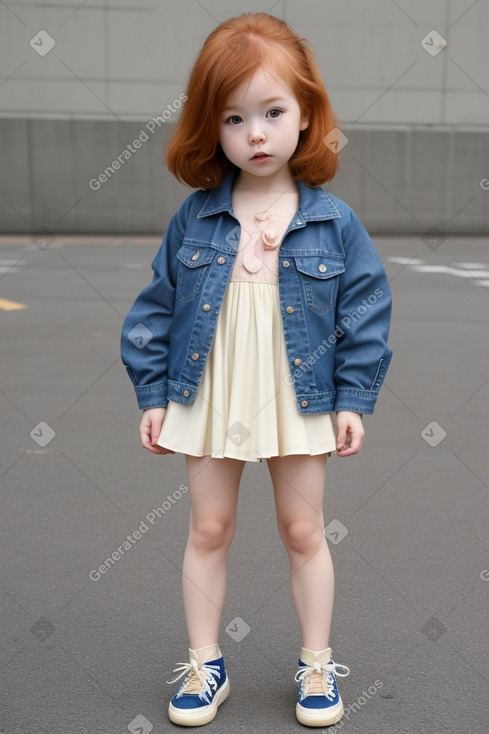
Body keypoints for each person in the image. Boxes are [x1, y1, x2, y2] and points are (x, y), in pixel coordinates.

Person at [120, 11, 392, 728]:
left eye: (272, 112)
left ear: (306, 115)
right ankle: (205, 662)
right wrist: (153, 392)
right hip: (209, 390)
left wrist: (352, 399)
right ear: (211, 129)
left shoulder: (333, 221)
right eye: (234, 119)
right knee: (208, 527)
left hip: (296, 394)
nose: (256, 135)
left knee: (304, 531)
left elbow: (364, 311)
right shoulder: (196, 219)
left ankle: (315, 665)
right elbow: (155, 307)